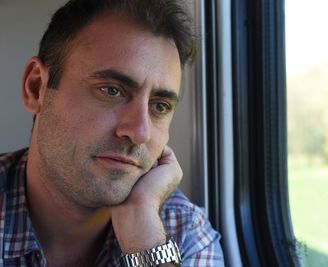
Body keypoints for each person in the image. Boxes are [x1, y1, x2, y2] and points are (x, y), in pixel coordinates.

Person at [0, 0, 224, 266]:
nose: (139, 132)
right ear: (36, 88)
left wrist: (142, 230)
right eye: (111, 91)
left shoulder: (184, 231)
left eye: (160, 106)